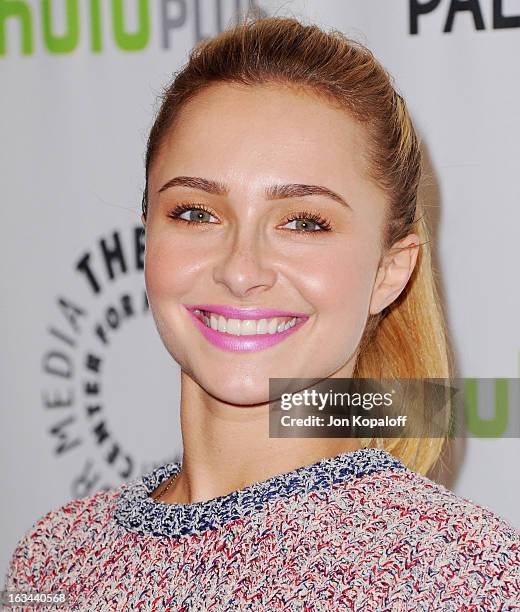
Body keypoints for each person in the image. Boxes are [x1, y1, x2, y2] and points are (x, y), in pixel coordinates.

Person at [4, 14, 519, 611]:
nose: (240, 268)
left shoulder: (466, 579)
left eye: (304, 222)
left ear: (390, 270)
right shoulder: (54, 557)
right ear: (148, 235)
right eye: (196, 213)